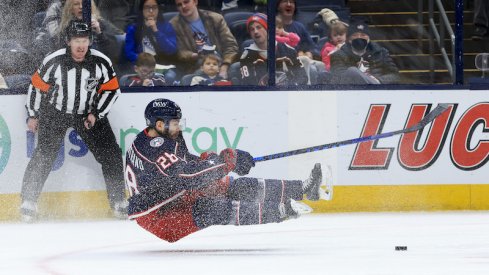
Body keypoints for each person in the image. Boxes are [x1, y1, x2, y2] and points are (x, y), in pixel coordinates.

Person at [125, 98, 333, 243]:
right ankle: (281, 211)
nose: (179, 127)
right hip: (159, 217)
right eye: (175, 123)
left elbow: (188, 164)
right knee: (212, 209)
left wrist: (216, 162)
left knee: (228, 185)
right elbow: (186, 176)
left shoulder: (165, 136)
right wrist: (225, 163)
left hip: (174, 195)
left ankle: (305, 189)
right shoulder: (153, 147)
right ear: (160, 124)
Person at [21, 20, 127, 222]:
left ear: (90, 41)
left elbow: (112, 90)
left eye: (85, 40)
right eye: (77, 40)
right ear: (68, 41)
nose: (81, 45)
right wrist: (33, 114)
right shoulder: (53, 61)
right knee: (44, 155)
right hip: (56, 112)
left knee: (111, 154)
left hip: (88, 114)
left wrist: (96, 113)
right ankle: (28, 201)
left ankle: (118, 201)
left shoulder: (101, 62)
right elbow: (36, 87)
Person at [169, 0, 239, 79]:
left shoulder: (216, 19)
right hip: (196, 65)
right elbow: (178, 52)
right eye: (179, 5)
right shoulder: (173, 25)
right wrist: (192, 55)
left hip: (221, 61)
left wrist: (225, 65)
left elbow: (231, 45)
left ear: (195, 2)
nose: (183, 6)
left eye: (186, 2)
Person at [239, 13, 307, 86]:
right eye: (252, 29)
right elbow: (248, 84)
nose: (256, 32)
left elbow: (303, 77)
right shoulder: (246, 56)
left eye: (259, 27)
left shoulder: (288, 50)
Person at [330, 20, 400, 85]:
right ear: (349, 39)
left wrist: (378, 80)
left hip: (378, 91)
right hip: (352, 92)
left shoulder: (381, 52)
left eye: (363, 35)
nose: (359, 38)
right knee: (352, 71)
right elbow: (338, 78)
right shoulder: (338, 55)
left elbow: (395, 75)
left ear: (369, 38)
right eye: (355, 35)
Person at [124, 0, 178, 65]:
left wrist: (156, 31)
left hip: (162, 65)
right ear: (142, 10)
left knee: (170, 75)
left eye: (154, 7)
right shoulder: (133, 29)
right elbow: (129, 53)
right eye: (147, 7)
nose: (151, 11)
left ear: (158, 9)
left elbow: (172, 50)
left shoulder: (167, 26)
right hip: (141, 66)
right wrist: (145, 60)